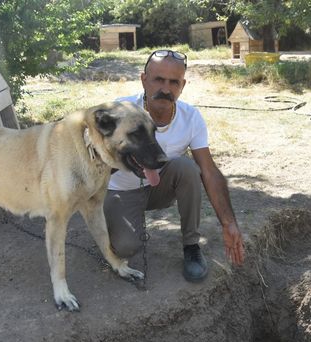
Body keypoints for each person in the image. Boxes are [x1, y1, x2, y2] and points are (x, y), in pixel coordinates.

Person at [104, 49, 245, 282]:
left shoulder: (191, 118)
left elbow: (209, 171)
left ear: (183, 85)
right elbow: (91, 163)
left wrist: (229, 224)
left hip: (158, 188)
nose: (166, 89)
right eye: (159, 79)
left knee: (187, 167)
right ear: (144, 79)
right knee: (126, 248)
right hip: (120, 191)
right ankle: (112, 223)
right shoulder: (120, 111)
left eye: (174, 82)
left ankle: (191, 247)